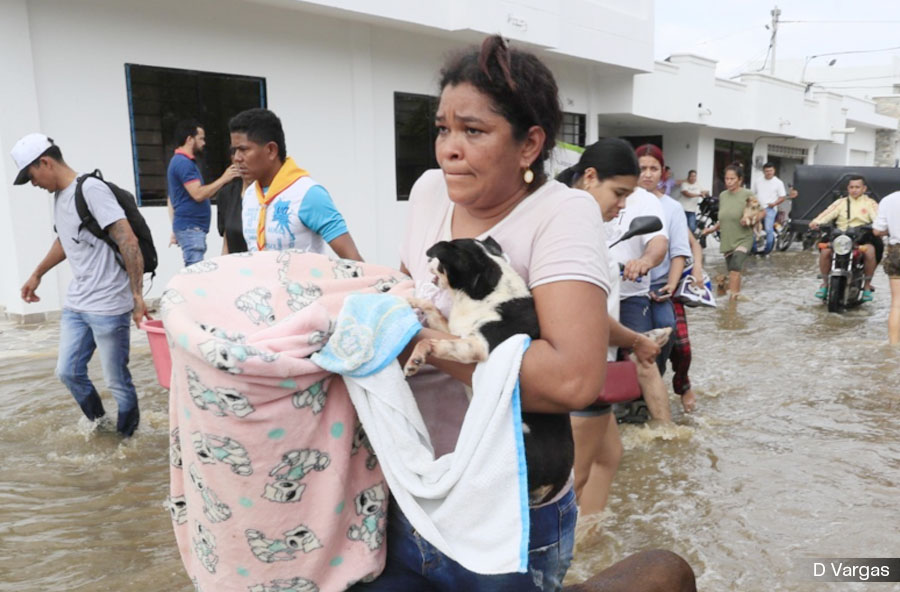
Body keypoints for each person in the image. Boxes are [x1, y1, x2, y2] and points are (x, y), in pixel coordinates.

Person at [354, 34, 613, 591]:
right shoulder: (427, 193)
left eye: (474, 131)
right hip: (414, 485)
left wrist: (423, 343)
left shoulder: (561, 215)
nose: (449, 148)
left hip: (510, 503)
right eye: (444, 129)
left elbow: (573, 379)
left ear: (529, 145)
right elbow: (413, 290)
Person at [557, 138, 668, 514]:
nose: (622, 205)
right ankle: (565, 558)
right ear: (589, 177)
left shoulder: (576, 223)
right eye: (618, 193)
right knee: (575, 478)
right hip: (578, 367)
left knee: (609, 456)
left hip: (591, 366)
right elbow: (589, 318)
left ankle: (590, 544)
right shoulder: (572, 232)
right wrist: (638, 341)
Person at [14, 134, 148, 437]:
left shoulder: (91, 189)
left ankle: (126, 442)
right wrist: (38, 273)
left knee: (117, 381)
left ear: (45, 162)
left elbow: (128, 240)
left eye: (31, 175)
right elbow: (65, 239)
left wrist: (137, 295)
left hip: (109, 305)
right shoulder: (60, 198)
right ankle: (101, 426)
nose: (33, 183)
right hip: (78, 303)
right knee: (68, 371)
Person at [228, 108, 363, 259]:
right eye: (234, 151)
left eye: (243, 150)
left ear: (271, 150)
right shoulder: (250, 194)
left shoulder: (308, 194)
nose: (237, 158)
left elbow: (353, 261)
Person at [636, 144, 692, 378]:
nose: (648, 174)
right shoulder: (622, 201)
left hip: (659, 287)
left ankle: (657, 379)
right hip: (626, 286)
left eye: (653, 168)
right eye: (642, 168)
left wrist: (671, 283)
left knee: (669, 331)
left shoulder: (672, 208)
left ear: (662, 172)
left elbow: (679, 251)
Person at [167, 119, 240, 266]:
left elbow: (171, 198)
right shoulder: (184, 163)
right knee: (195, 269)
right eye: (201, 138)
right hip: (191, 227)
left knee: (194, 267)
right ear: (189, 139)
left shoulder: (180, 162)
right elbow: (198, 194)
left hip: (189, 227)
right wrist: (224, 179)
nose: (204, 143)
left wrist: (175, 227)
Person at [808, 175, 879, 301]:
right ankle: (825, 284)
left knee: (871, 251)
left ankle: (867, 286)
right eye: (851, 187)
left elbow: (877, 218)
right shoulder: (840, 202)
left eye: (857, 187)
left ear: (864, 188)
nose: (854, 190)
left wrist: (878, 226)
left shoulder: (870, 203)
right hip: (840, 237)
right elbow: (827, 213)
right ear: (848, 188)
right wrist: (816, 222)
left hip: (861, 237)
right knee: (825, 251)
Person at [702, 164, 756, 299]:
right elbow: (724, 218)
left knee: (736, 265)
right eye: (727, 179)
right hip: (727, 239)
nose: (729, 182)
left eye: (732, 179)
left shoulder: (748, 194)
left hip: (744, 237)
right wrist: (712, 229)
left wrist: (748, 216)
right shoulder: (723, 195)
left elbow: (761, 213)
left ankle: (732, 303)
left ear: (740, 179)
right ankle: (731, 293)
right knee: (732, 270)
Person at [873, 190, 900, 343]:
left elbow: (877, 230)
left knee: (897, 304)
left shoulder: (889, 199)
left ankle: (894, 348)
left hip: (896, 251)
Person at [215, 150, 250, 254]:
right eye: (235, 154)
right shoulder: (226, 194)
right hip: (236, 263)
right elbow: (226, 239)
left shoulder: (268, 192)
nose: (239, 159)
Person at [750, 162, 786, 255]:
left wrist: (774, 203)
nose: (769, 173)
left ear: (774, 171)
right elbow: (752, 194)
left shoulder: (778, 182)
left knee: (769, 229)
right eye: (766, 171)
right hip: (757, 208)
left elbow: (782, 197)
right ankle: (753, 250)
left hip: (770, 208)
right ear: (763, 171)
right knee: (752, 228)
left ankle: (767, 250)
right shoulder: (758, 181)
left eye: (770, 171)